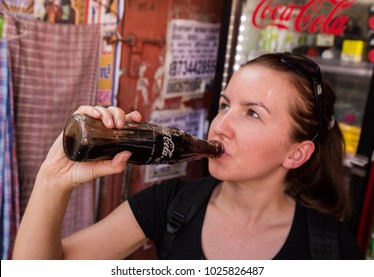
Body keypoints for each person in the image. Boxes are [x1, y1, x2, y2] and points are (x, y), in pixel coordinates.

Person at [12, 52, 361, 260]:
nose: (220, 125)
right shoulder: (169, 204)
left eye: (252, 113)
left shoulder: (331, 248)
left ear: (297, 154)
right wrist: (54, 178)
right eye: (224, 105)